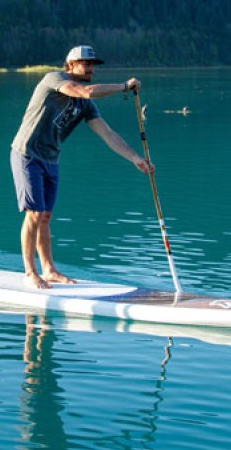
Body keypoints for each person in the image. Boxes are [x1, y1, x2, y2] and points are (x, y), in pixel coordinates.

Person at [10, 45, 153, 289]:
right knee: (33, 214)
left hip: (51, 158)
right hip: (27, 154)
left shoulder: (87, 106)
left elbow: (107, 134)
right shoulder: (55, 79)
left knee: (45, 217)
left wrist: (135, 158)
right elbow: (85, 92)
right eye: (85, 64)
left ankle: (49, 270)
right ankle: (29, 272)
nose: (90, 69)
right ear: (70, 65)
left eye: (92, 65)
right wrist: (123, 87)